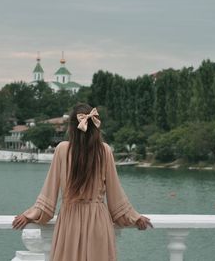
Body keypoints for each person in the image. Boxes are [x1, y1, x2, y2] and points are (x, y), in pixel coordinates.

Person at [12, 103, 152, 261]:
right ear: (95, 127)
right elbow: (116, 193)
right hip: (98, 223)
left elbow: (49, 192)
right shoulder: (104, 151)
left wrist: (30, 215)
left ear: (71, 128)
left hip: (69, 224)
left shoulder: (62, 150)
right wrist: (134, 217)